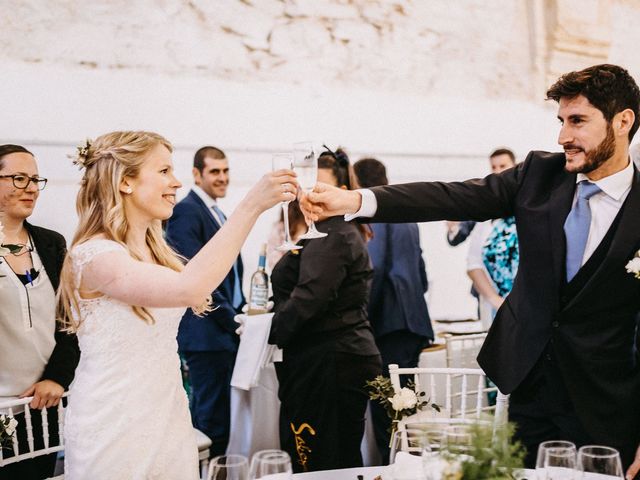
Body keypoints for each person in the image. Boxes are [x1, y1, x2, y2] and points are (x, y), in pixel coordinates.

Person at [306, 64, 640, 476]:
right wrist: (355, 202)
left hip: (608, 404)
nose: (562, 137)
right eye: (560, 121)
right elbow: (450, 197)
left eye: (577, 121)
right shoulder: (540, 175)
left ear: (623, 120)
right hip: (529, 390)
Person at [57, 131, 296, 479]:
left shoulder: (157, 256)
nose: (177, 182)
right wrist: (251, 206)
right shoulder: (94, 255)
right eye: (164, 171)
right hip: (115, 420)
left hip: (166, 412)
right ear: (125, 182)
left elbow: (199, 285)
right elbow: (190, 288)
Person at [268, 147, 382, 473]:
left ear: (342, 193)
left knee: (324, 461)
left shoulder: (332, 233)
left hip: (331, 363)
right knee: (332, 458)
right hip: (331, 360)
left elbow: (310, 298)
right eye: (308, 187)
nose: (311, 195)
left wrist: (269, 331)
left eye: (321, 188)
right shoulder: (327, 231)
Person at [0, 145, 80, 480]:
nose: (31, 187)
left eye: (35, 179)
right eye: (19, 178)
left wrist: (58, 377)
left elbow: (71, 320)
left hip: (41, 405)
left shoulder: (51, 243)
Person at [352, 157, 434, 462]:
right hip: (413, 323)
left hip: (389, 325)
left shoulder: (376, 214)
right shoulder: (405, 214)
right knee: (404, 407)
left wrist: (361, 319)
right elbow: (421, 272)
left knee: (389, 412)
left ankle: (393, 469)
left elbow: (375, 270)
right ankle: (404, 466)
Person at [165, 146, 244, 456]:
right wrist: (232, 319)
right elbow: (193, 269)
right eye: (214, 172)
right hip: (205, 332)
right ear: (196, 174)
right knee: (211, 421)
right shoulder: (187, 211)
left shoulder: (217, 211)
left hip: (220, 332)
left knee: (222, 418)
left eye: (225, 171)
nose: (222, 178)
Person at [466, 148, 518, 328]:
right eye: (493, 167)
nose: (498, 171)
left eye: (503, 166)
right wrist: (494, 299)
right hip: (496, 306)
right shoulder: (486, 219)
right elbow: (473, 263)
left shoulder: (532, 209)